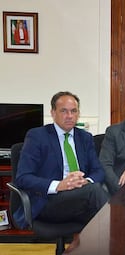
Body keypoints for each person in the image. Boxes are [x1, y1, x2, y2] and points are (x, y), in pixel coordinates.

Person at [14, 91, 108, 253]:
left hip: (81, 197)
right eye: (64, 111)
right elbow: (23, 178)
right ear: (53, 113)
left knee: (98, 191)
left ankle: (83, 248)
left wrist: (86, 181)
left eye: (74, 111)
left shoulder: (84, 137)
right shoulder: (37, 136)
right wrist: (59, 185)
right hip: (48, 202)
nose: (69, 116)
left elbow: (98, 171)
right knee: (98, 195)